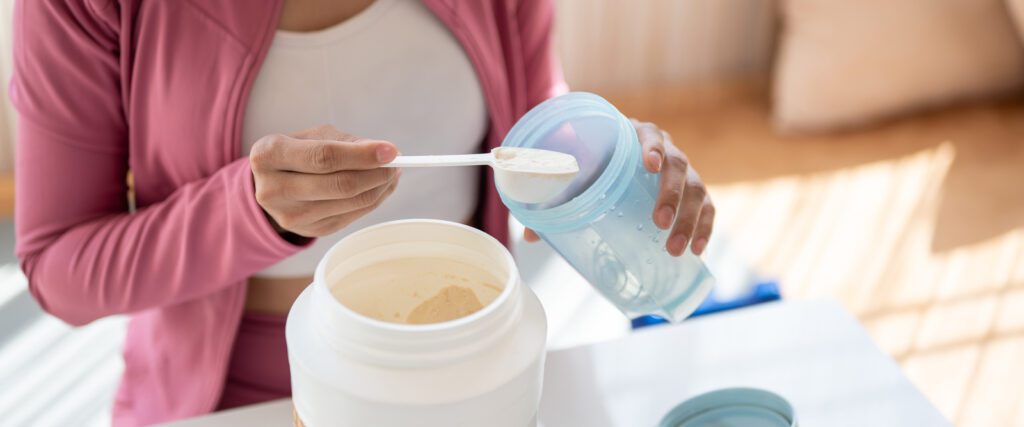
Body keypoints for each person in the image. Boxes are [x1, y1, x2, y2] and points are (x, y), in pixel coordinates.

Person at [11, 0, 715, 425]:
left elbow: (533, 120)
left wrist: (611, 159)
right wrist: (251, 211)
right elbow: (60, 265)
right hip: (230, 393)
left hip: (472, 364)